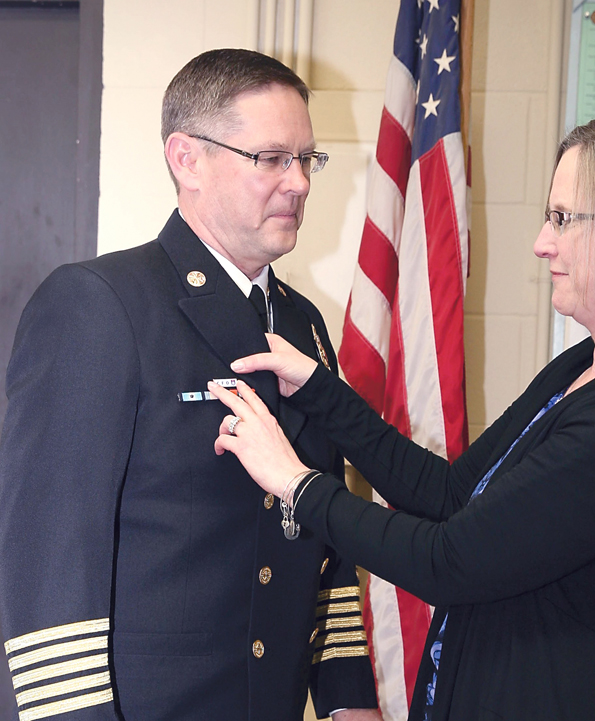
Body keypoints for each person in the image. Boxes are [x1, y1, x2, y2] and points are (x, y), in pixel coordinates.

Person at [208, 111, 595, 721]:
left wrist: (294, 484)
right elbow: (451, 493)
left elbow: (448, 561)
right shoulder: (586, 366)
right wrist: (317, 389)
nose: (544, 242)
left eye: (564, 219)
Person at [0, 49, 378, 721]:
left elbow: (319, 524)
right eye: (271, 158)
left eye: (307, 159)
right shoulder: (100, 305)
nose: (299, 183)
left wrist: (349, 698)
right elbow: (50, 560)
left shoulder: (302, 323)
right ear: (187, 158)